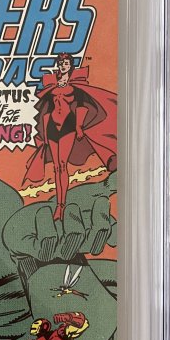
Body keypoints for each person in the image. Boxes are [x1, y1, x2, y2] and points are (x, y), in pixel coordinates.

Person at [23, 53, 117, 221]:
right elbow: (46, 112)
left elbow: (82, 106)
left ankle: (61, 205)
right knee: (56, 167)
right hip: (52, 128)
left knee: (62, 165)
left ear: (70, 65)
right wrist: (44, 134)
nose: (63, 65)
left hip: (68, 126)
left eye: (66, 63)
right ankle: (59, 205)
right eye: (61, 63)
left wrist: (79, 126)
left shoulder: (76, 87)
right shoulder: (52, 87)